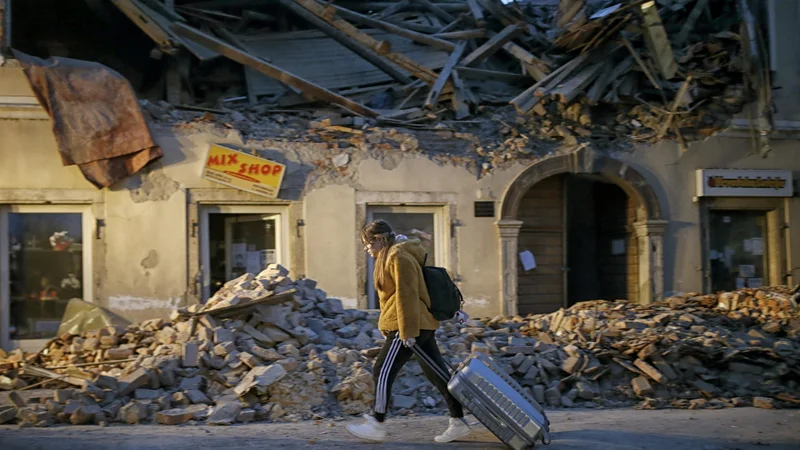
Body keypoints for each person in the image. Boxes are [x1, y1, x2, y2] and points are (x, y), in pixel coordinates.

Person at [346, 220, 472, 443]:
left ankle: (378, 423)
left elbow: (407, 296)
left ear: (379, 240)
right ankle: (458, 421)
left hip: (408, 324)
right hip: (415, 323)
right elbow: (392, 298)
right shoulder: (390, 256)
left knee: (382, 369)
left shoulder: (397, 256)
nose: (366, 249)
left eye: (368, 244)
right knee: (437, 373)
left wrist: (407, 332)